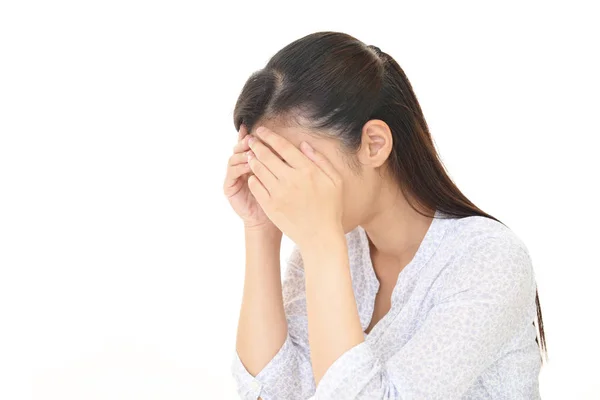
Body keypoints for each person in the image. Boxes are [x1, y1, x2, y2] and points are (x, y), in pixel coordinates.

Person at [223, 31, 547, 400]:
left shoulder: (488, 260)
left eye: (296, 164)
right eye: (272, 164)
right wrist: (260, 227)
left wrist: (321, 245)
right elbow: (274, 393)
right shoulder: (330, 247)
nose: (287, 185)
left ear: (374, 144)